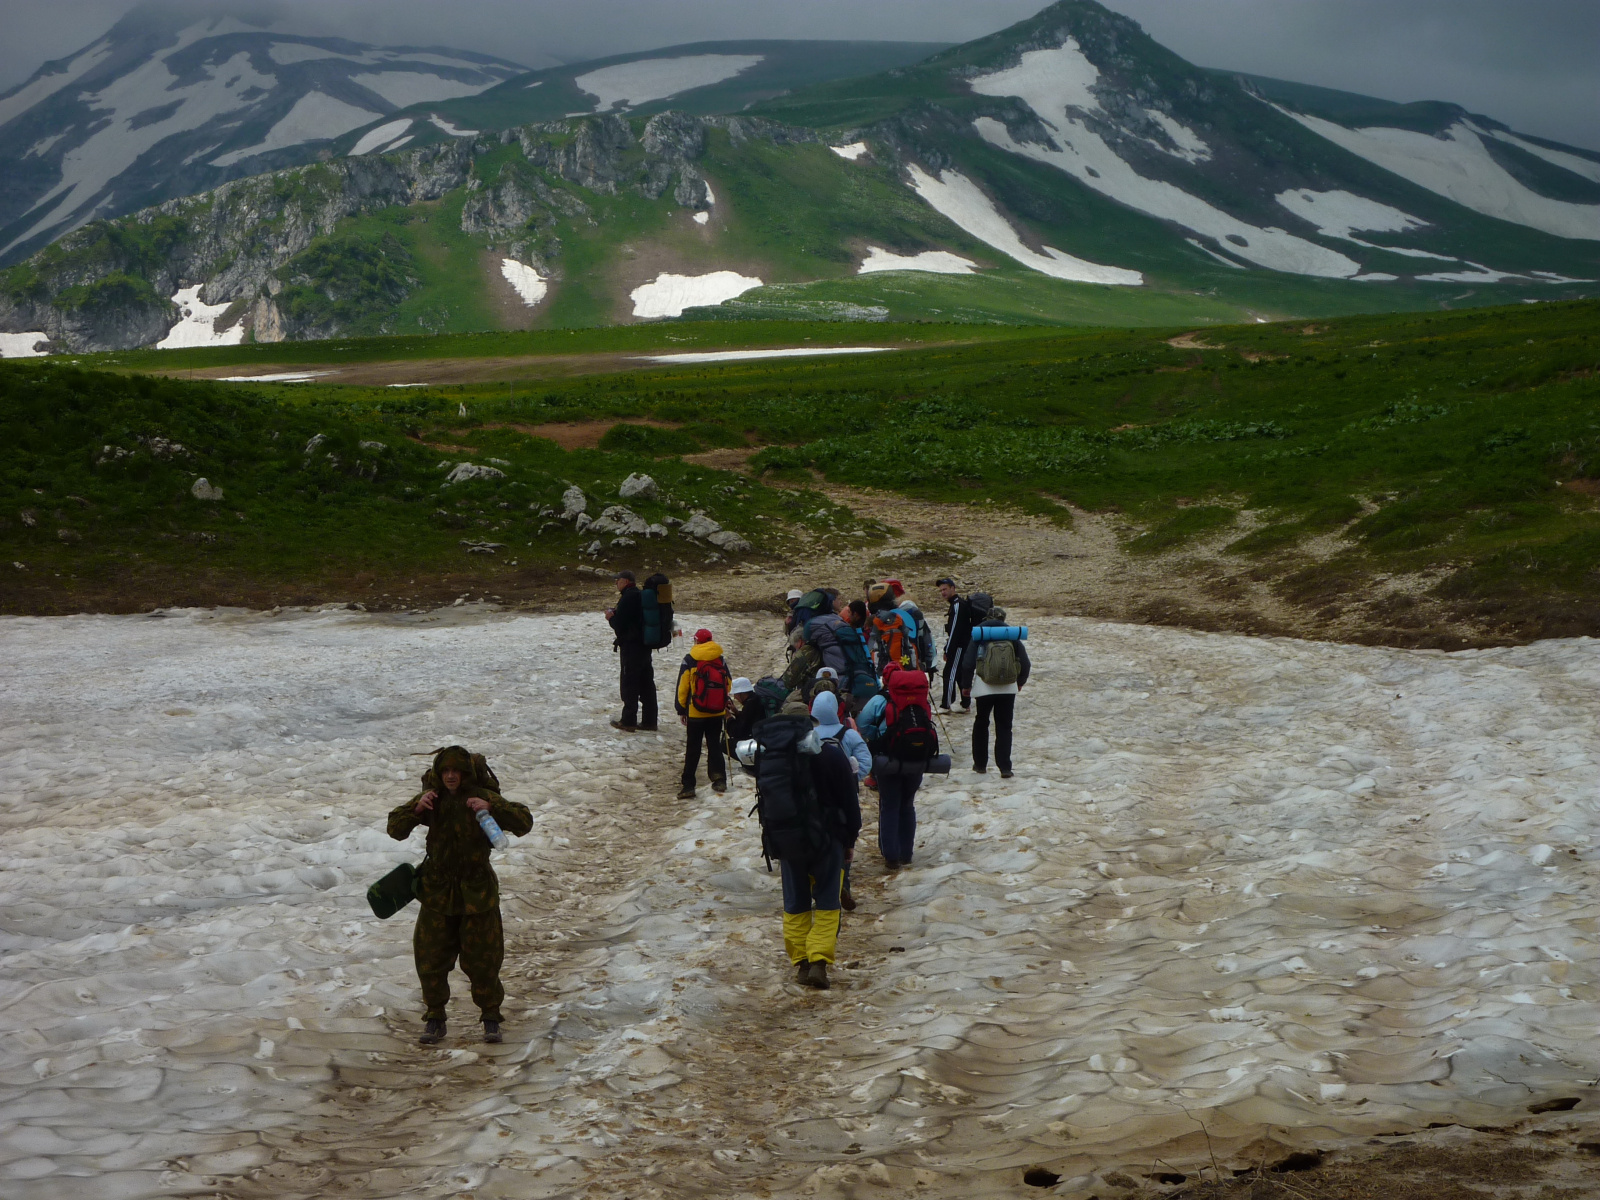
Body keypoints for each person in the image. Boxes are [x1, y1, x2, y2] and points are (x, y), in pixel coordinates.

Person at [387, 746, 533, 1045]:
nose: (451, 776)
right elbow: (395, 829)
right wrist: (417, 810)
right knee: (430, 958)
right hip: (437, 891)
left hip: (477, 891)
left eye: (456, 771)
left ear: (466, 773)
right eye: (446, 771)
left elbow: (524, 822)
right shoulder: (432, 799)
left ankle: (491, 1017)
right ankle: (435, 1017)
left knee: (484, 959)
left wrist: (492, 807)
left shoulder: (481, 797)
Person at [770, 720, 860, 989]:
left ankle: (802, 964)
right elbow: (850, 801)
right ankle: (819, 962)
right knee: (827, 900)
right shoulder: (832, 754)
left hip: (789, 841)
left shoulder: (776, 760)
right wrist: (850, 840)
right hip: (828, 839)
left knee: (795, 902)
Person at [858, 663, 931, 869]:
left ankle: (891, 855)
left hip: (889, 759)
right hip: (916, 758)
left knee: (889, 805)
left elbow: (862, 724)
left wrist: (878, 737)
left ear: (885, 680)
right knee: (907, 804)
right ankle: (906, 854)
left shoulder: (880, 699)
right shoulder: (919, 698)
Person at [957, 595, 1032, 779]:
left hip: (985, 686)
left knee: (981, 723)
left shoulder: (980, 634)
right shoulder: (1011, 634)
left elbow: (968, 663)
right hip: (1008, 687)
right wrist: (1020, 682)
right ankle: (1005, 767)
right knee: (1004, 726)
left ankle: (980, 764)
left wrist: (966, 685)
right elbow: (1025, 663)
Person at [811, 690, 870, 913]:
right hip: (844, 796)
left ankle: (817, 887)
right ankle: (843, 884)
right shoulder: (849, 734)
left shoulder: (809, 735)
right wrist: (851, 777)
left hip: (815, 797)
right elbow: (866, 762)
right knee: (843, 841)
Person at [675, 628, 730, 799]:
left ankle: (688, 785)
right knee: (714, 745)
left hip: (696, 712)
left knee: (693, 748)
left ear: (697, 641)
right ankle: (719, 779)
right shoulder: (719, 658)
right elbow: (727, 683)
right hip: (716, 711)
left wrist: (681, 708)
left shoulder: (690, 659)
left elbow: (683, 686)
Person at [606, 569, 658, 732]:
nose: (616, 582)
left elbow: (620, 624)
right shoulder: (640, 595)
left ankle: (628, 721)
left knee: (629, 683)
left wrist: (611, 617)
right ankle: (650, 721)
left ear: (626, 581)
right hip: (644, 645)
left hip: (631, 646)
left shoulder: (628, 597)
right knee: (646, 683)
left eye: (618, 580)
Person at [937, 577, 976, 712]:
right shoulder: (957, 604)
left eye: (945, 589)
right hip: (962, 645)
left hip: (959, 646)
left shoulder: (957, 605)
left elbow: (954, 630)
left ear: (953, 588)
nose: (943, 592)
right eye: (941, 590)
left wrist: (948, 649)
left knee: (949, 673)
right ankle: (965, 704)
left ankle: (946, 705)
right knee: (959, 674)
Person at [722, 677, 761, 757]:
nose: (735, 697)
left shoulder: (750, 705)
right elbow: (748, 720)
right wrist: (736, 712)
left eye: (735, 694)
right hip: (759, 736)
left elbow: (738, 732)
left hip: (754, 740)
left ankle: (747, 762)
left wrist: (729, 717)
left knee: (724, 744)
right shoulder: (755, 700)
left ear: (742, 694)